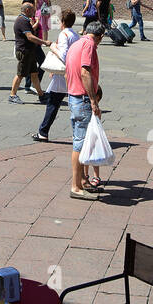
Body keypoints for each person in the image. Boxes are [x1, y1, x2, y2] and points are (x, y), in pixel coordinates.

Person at [66, 20, 106, 198]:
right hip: (82, 98)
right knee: (80, 144)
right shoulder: (89, 45)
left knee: (80, 140)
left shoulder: (77, 43)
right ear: (100, 36)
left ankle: (82, 180)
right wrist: (93, 100)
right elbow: (85, 71)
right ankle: (75, 187)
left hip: (73, 95)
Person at [34, 10, 79, 142]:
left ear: (63, 22)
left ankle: (43, 132)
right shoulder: (75, 35)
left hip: (63, 75)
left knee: (53, 103)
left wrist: (53, 47)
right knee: (66, 102)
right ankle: (45, 131)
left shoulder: (64, 34)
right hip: (70, 72)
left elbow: (64, 55)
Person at [9, 0, 48, 104]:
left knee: (34, 74)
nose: (34, 13)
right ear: (27, 10)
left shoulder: (25, 20)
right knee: (20, 74)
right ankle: (12, 95)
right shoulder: (22, 21)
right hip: (24, 51)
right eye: (32, 11)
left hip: (30, 51)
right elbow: (30, 36)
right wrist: (44, 42)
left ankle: (41, 95)